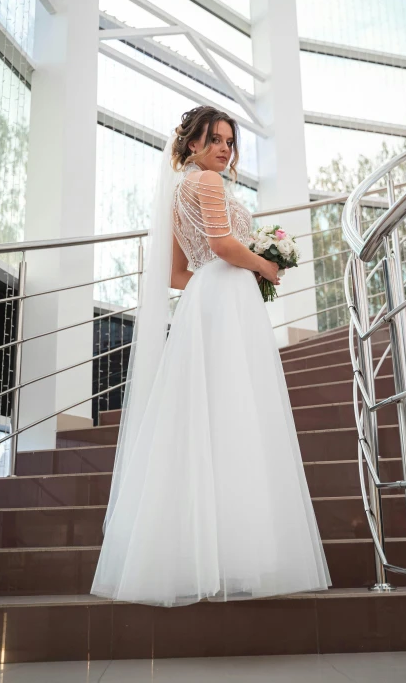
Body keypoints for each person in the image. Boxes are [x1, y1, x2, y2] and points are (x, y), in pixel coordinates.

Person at [90, 106, 331, 607]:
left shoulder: (179, 191)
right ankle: (234, 553)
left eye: (229, 140)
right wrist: (264, 265)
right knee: (235, 414)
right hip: (226, 301)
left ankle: (192, 552)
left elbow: (177, 274)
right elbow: (222, 244)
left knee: (205, 418)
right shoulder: (207, 184)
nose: (224, 147)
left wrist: (234, 273)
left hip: (206, 301)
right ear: (192, 144)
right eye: (214, 138)